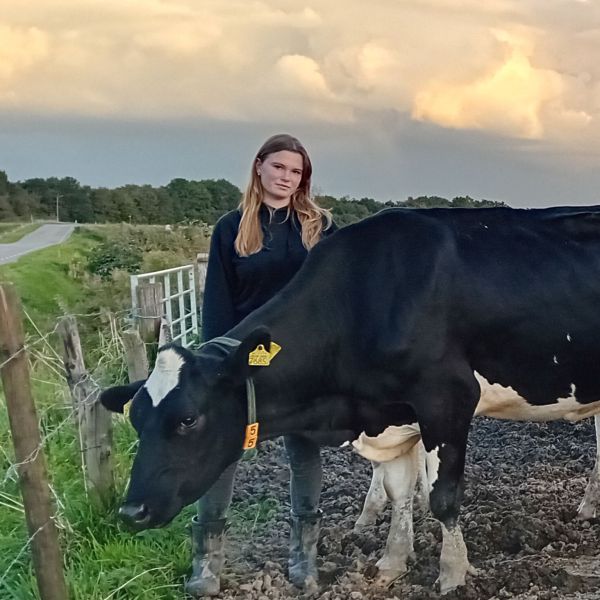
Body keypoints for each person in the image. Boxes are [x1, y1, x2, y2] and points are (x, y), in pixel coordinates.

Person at [186, 133, 337, 597]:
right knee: (223, 451)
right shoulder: (230, 227)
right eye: (278, 168)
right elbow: (219, 302)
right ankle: (207, 562)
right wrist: (219, 364)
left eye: (295, 171)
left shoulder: (320, 227)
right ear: (258, 167)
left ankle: (303, 557)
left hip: (302, 360)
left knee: (304, 451)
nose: (286, 178)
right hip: (241, 359)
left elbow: (332, 298)